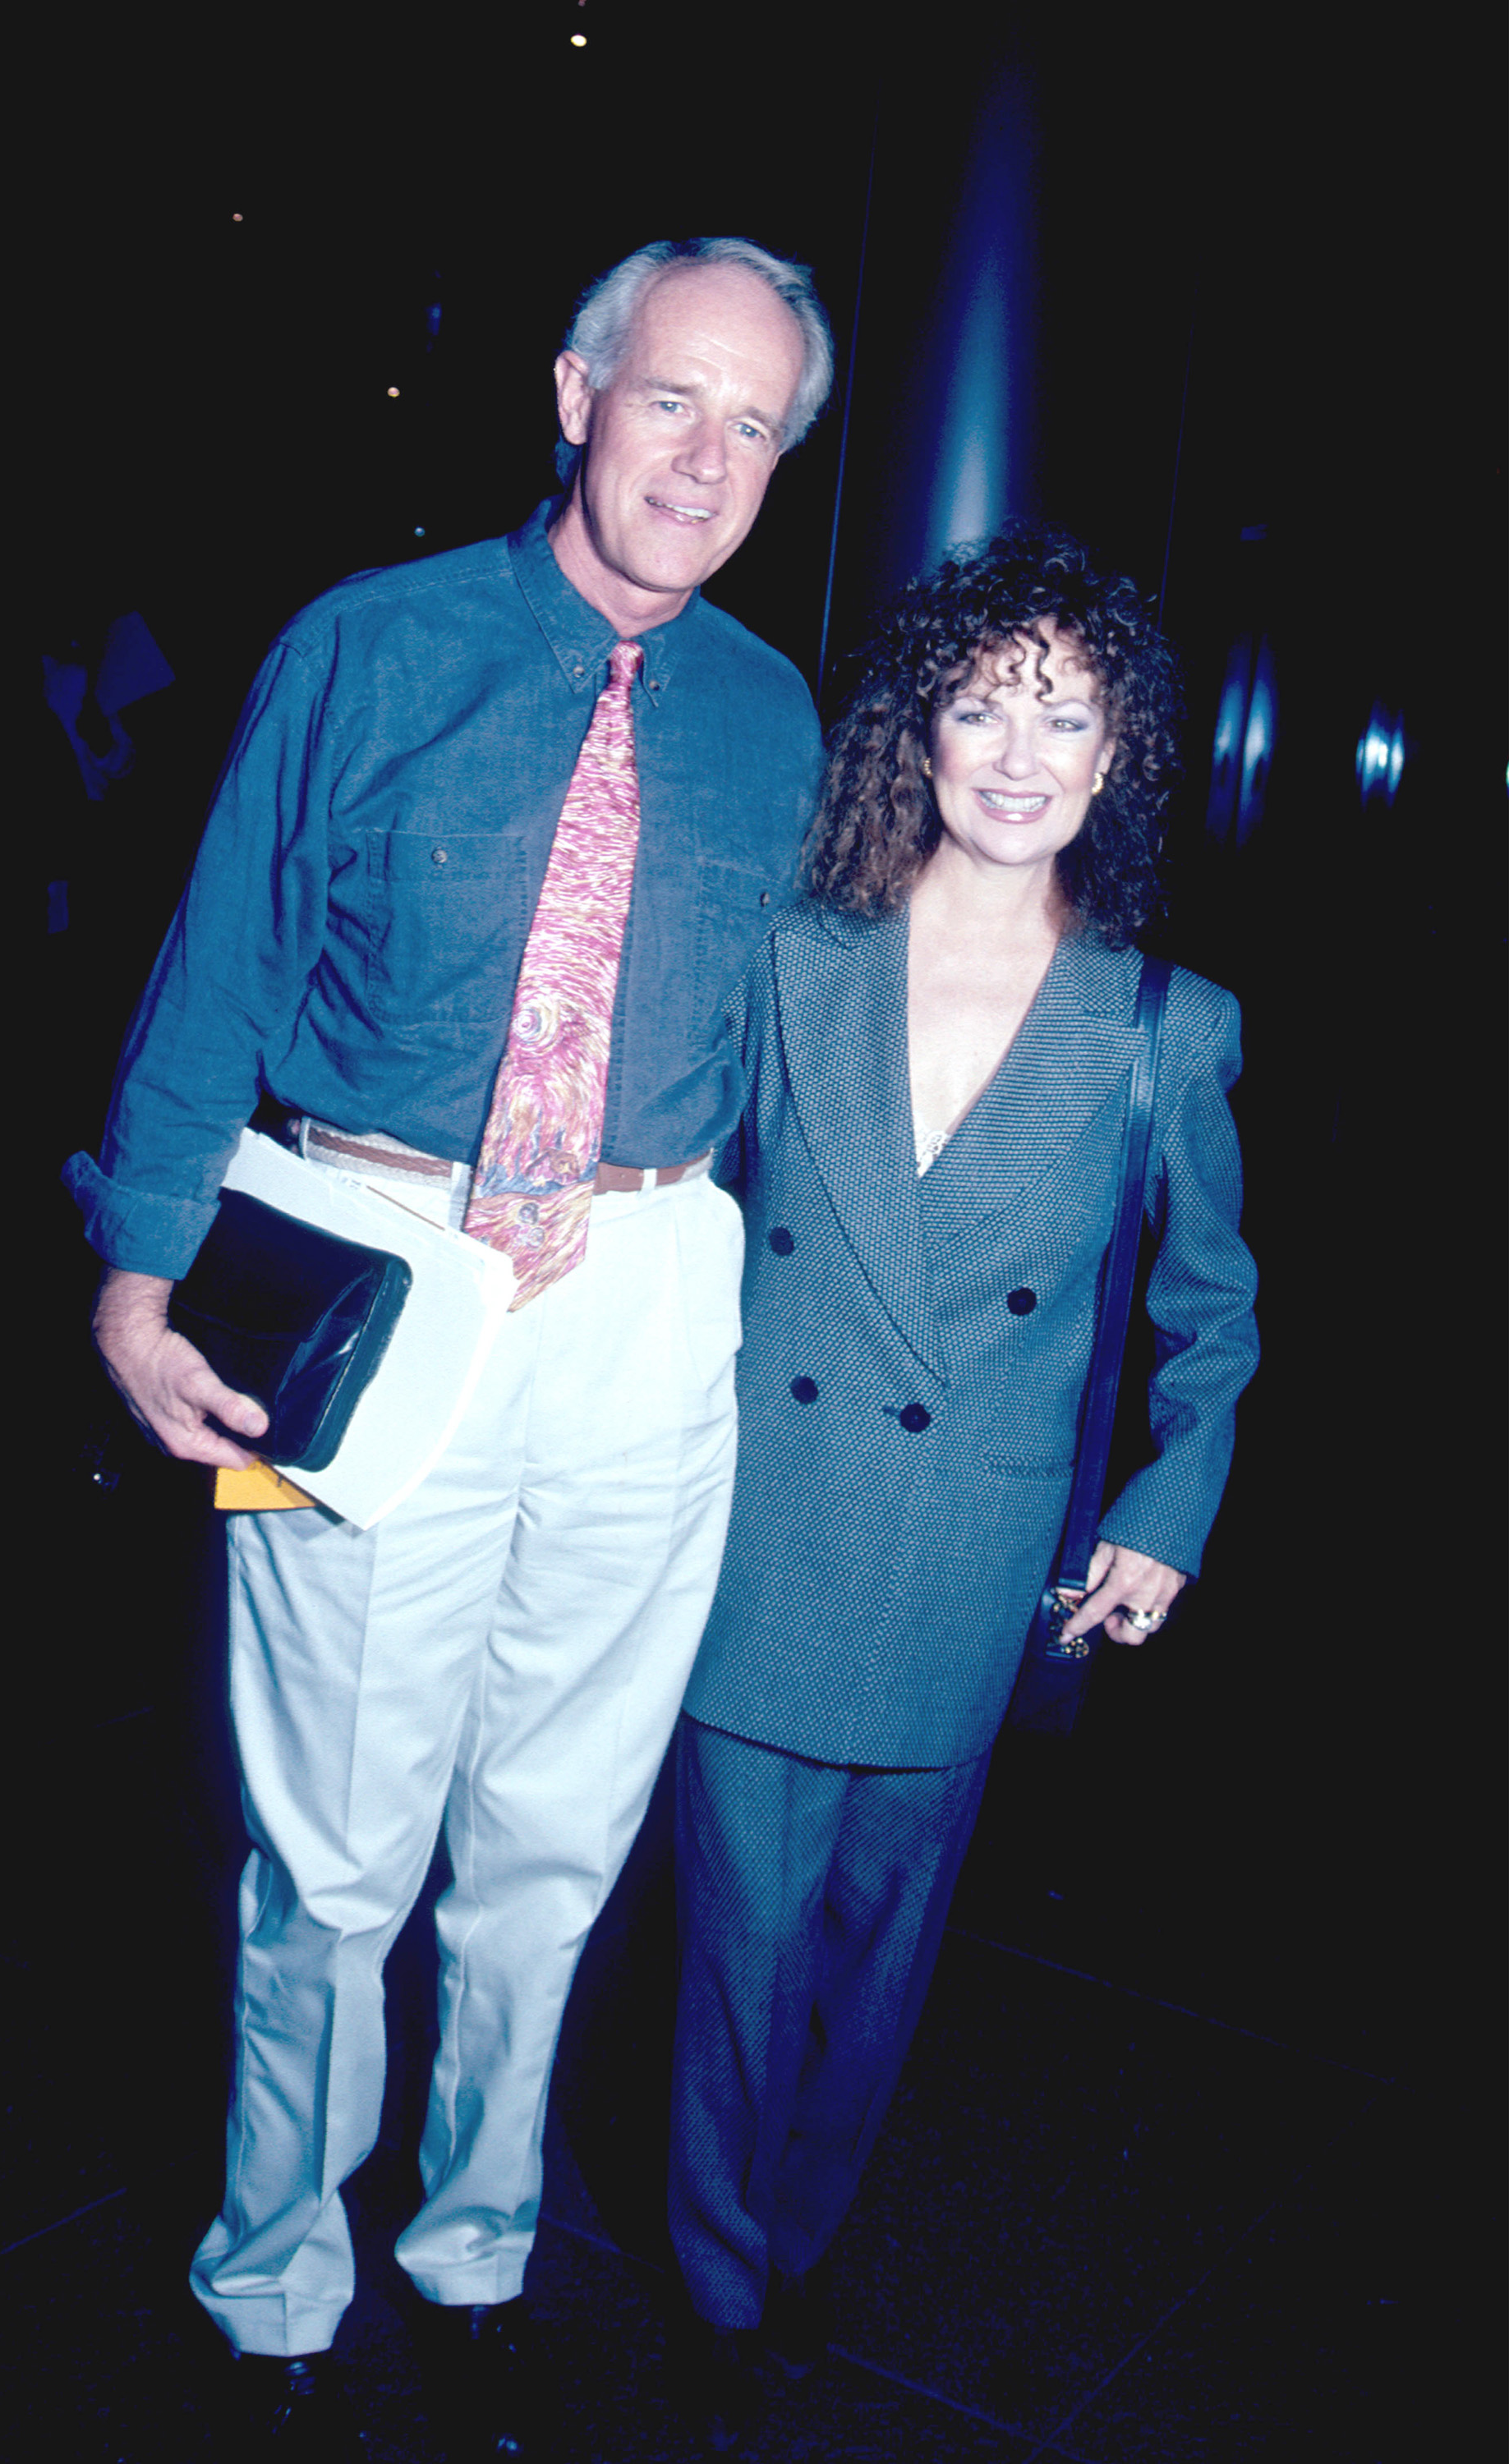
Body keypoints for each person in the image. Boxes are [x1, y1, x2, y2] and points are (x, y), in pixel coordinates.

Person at [62, 235, 833, 2458]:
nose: (703, 459)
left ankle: (478, 2239)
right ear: (578, 387)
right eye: (672, 398)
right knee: (331, 1850)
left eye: (755, 426)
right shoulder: (366, 643)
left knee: (562, 1833)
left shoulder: (779, 711)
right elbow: (216, 958)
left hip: (654, 1285)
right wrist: (139, 1268)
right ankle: (275, 2269)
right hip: (376, 1264)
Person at [667, 524, 1259, 2448]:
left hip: (965, 1543)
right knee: (734, 1943)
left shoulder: (1164, 1027)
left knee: (878, 1947)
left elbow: (1211, 1320)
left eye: (1064, 713)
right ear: (916, 728)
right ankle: (711, 2267)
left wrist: (1165, 1511)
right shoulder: (786, 951)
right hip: (768, 1510)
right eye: (982, 700)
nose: (1016, 750)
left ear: (1116, 761)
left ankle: (805, 2229)